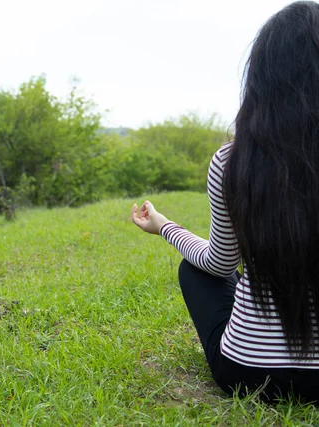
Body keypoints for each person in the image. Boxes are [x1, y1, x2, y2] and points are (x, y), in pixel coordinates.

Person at [131, 1, 319, 403]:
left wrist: (165, 225)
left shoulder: (233, 162)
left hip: (247, 374)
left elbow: (218, 264)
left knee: (196, 272)